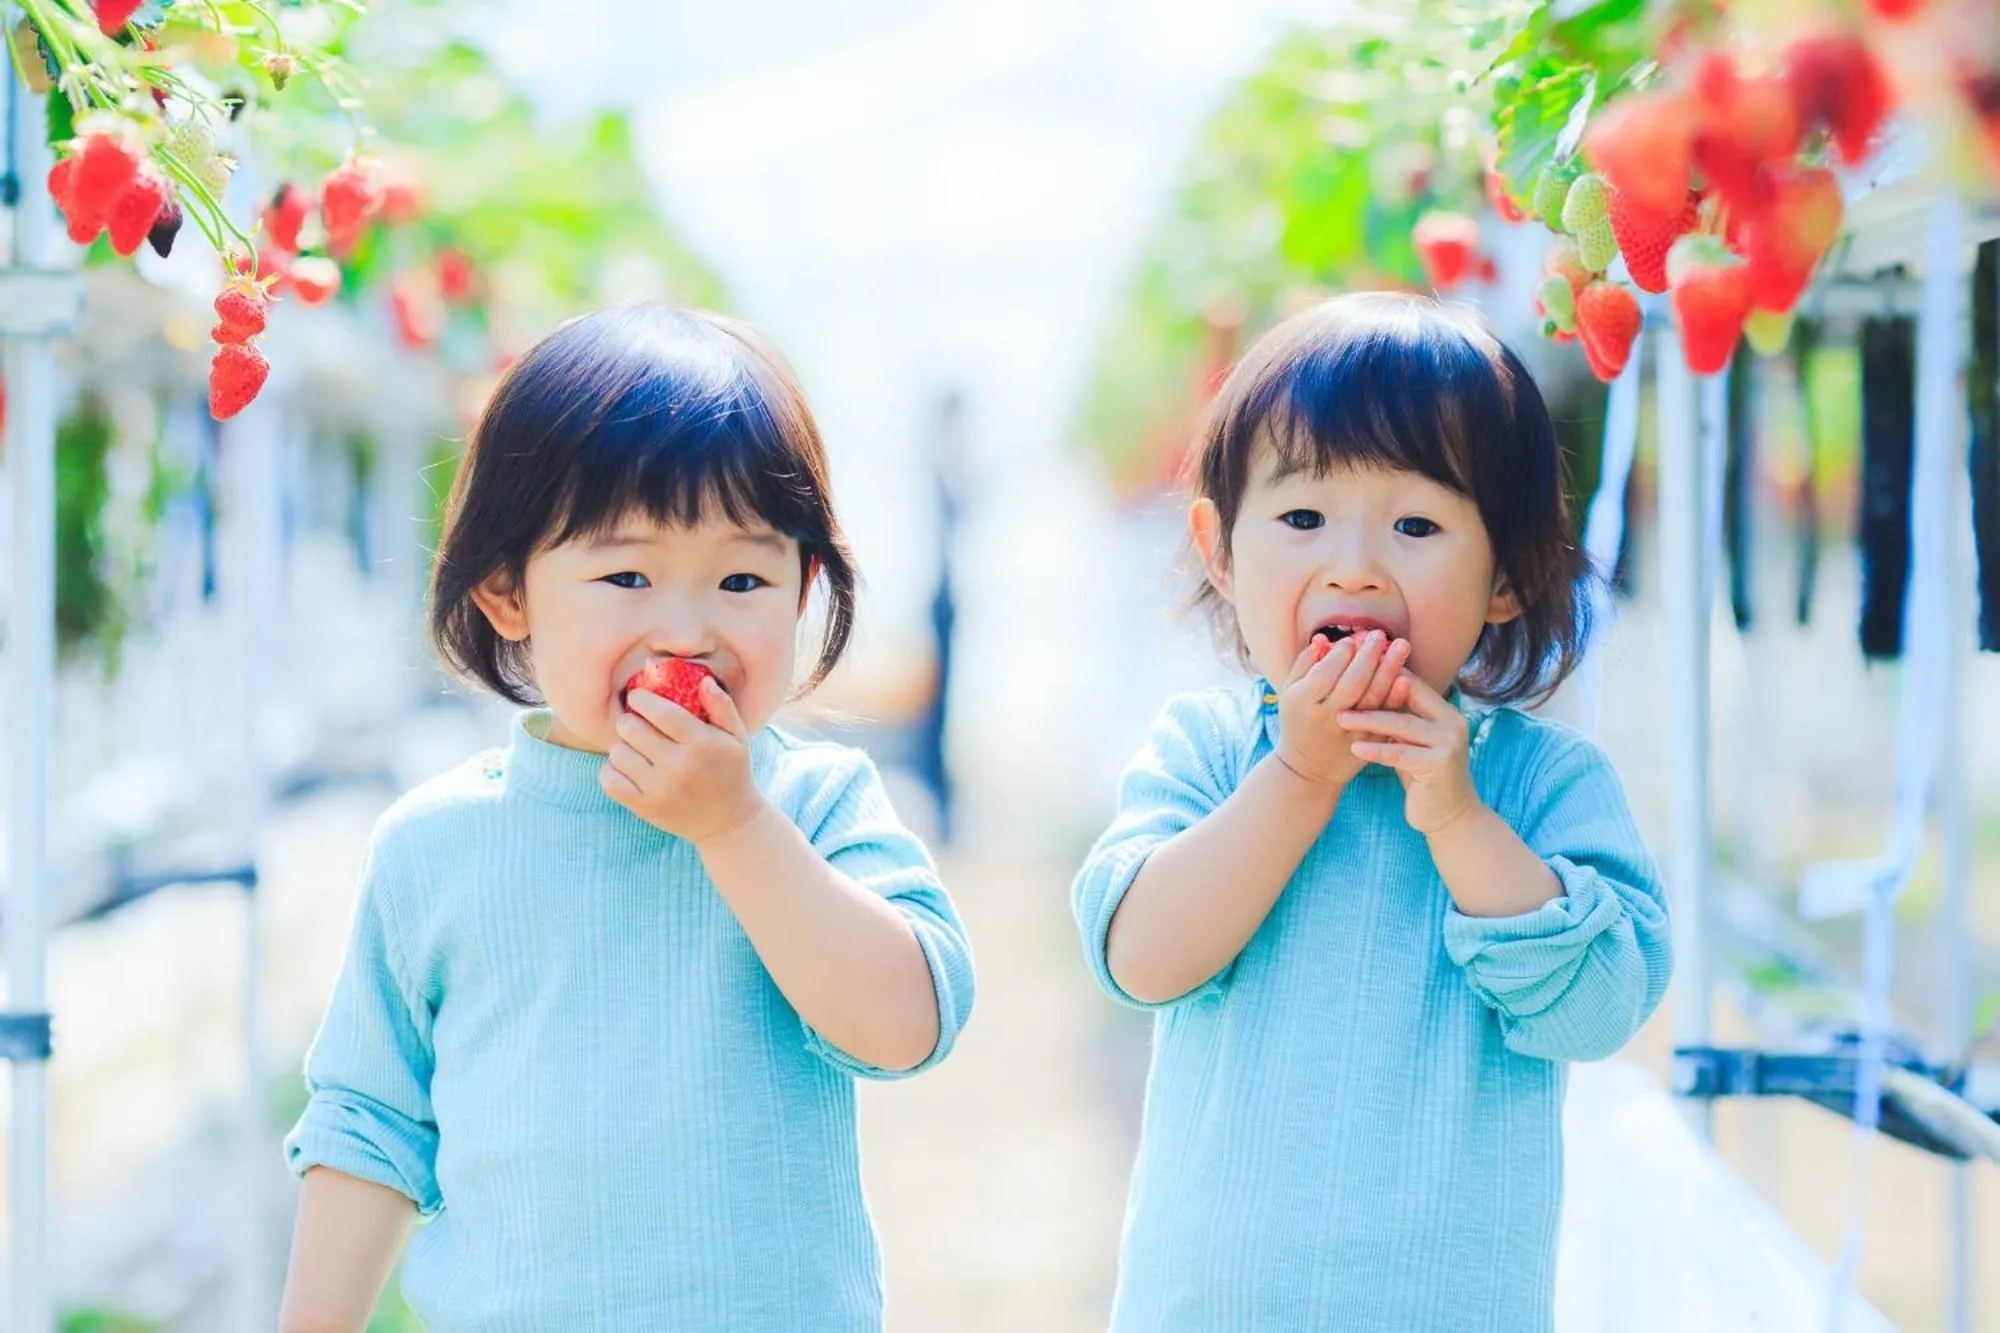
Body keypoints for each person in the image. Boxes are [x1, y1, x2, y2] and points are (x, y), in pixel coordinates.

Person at [278, 305, 975, 1332]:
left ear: (802, 591)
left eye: (742, 578)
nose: (686, 628)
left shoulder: (810, 807)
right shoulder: (436, 847)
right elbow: (369, 1122)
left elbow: (905, 1025)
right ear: (508, 592)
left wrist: (734, 825)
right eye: (626, 576)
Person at [1072, 292, 1671, 1331]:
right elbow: (1141, 959)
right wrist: (1296, 778)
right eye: (1301, 519)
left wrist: (1456, 819)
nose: (1352, 564)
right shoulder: (1209, 753)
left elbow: (1595, 1010)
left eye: (1415, 524)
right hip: (1210, 1306)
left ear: (1506, 575)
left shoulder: (1537, 787)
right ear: (1219, 548)